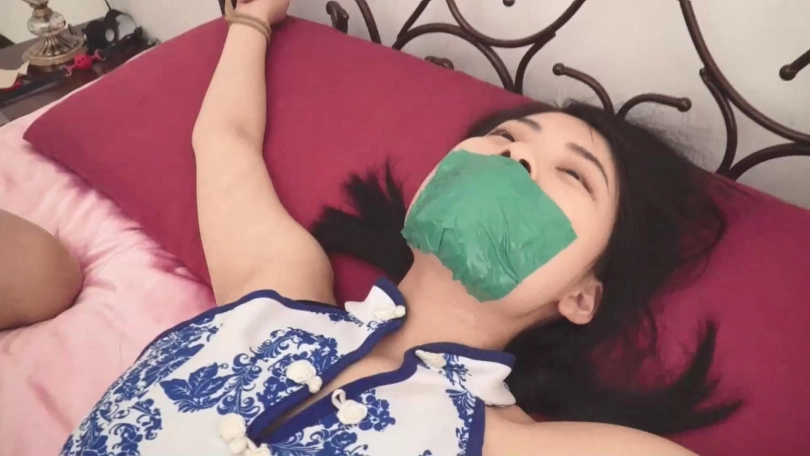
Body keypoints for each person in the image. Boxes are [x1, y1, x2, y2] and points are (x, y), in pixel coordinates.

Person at [60, 0, 740, 454]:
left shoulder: (514, 445)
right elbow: (225, 142)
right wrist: (253, 21)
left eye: (573, 175)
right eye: (507, 139)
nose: (518, 159)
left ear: (583, 296)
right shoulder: (279, 290)